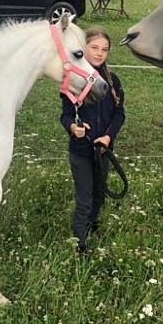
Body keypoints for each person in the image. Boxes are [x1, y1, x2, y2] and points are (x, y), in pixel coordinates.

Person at [60, 27, 125, 254]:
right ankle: (80, 244)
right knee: (84, 197)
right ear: (83, 48)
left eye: (104, 50)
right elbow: (66, 115)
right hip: (81, 151)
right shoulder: (73, 81)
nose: (99, 54)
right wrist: (72, 127)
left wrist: (108, 136)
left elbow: (119, 114)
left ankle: (91, 224)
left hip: (103, 150)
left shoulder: (112, 81)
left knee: (99, 193)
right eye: (94, 48)